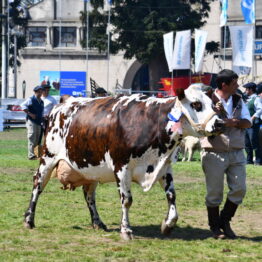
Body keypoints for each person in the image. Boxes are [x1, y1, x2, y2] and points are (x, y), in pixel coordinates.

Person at [200, 69, 252, 239]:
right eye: (235, 83)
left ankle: (224, 221)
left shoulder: (238, 99)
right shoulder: (206, 98)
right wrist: (218, 116)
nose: (238, 86)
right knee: (214, 192)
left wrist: (234, 122)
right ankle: (215, 227)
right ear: (224, 84)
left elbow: (248, 122)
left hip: (237, 150)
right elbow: (202, 123)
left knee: (239, 189)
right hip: (213, 151)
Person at [21, 85, 44, 160]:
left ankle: (37, 154)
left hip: (39, 121)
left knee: (38, 138)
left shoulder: (41, 101)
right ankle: (31, 155)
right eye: (38, 92)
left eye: (41, 92)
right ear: (35, 92)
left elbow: (41, 111)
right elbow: (23, 106)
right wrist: (30, 114)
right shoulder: (30, 99)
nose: (40, 93)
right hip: (31, 121)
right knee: (32, 137)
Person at [243, 82, 259, 165]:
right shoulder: (248, 99)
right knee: (247, 143)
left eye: (246, 89)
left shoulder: (256, 98)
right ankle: (249, 161)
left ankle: (259, 161)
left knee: (254, 143)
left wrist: (252, 118)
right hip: (246, 124)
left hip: (253, 125)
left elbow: (260, 109)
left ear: (251, 90)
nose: (245, 91)